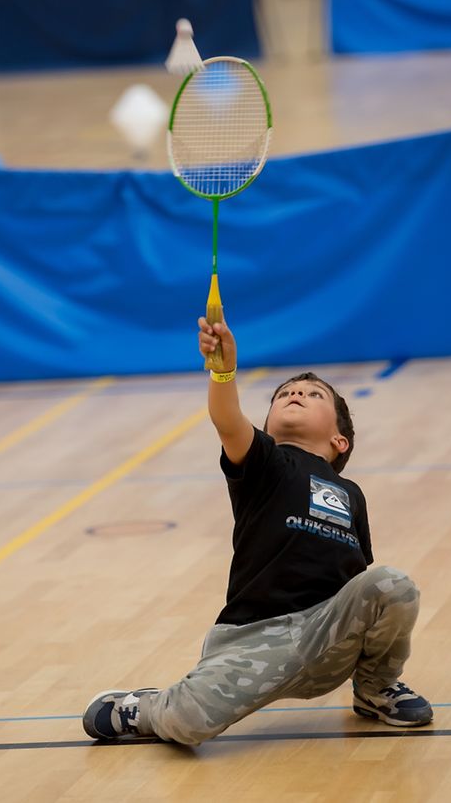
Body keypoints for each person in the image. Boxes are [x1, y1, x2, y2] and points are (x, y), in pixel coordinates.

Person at [83, 316, 432, 744]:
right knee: (188, 725)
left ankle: (376, 689)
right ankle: (147, 708)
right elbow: (228, 420)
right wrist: (223, 371)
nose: (296, 393)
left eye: (313, 394)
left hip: (325, 636)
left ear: (340, 440)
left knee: (392, 585)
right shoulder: (264, 462)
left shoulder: (352, 494)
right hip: (254, 641)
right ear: (265, 429)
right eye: (284, 393)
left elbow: (360, 584)